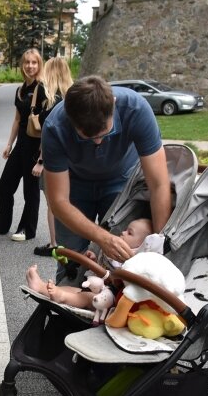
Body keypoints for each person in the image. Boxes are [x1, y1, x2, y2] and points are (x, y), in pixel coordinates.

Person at [41, 75, 172, 282]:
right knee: (72, 262)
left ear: (113, 105)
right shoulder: (55, 127)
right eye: (88, 137)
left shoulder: (136, 110)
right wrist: (102, 238)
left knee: (124, 260)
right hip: (73, 187)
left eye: (104, 133)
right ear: (70, 117)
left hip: (120, 181)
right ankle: (66, 307)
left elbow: (159, 184)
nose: (99, 142)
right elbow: (58, 202)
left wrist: (160, 243)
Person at [0, 48, 46, 241]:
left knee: (30, 190)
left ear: (39, 65)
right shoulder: (20, 90)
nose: (30, 66)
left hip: (36, 147)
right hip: (21, 145)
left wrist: (41, 159)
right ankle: (2, 224)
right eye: (27, 62)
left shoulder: (42, 88)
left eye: (34, 62)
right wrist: (9, 144)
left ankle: (27, 229)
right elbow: (17, 119)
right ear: (22, 65)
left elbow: (47, 124)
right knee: (5, 184)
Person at [25, 218, 153, 307]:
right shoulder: (116, 252)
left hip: (109, 300)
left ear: (141, 245)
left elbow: (117, 280)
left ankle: (59, 296)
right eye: (126, 230)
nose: (123, 232)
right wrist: (94, 261)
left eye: (129, 233)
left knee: (85, 298)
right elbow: (104, 269)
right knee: (72, 289)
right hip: (96, 289)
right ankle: (40, 287)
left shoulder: (135, 261)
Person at [31, 57, 73, 256]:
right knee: (70, 200)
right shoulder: (73, 97)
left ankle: (55, 243)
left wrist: (40, 161)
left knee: (54, 202)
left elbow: (48, 136)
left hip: (53, 159)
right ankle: (70, 242)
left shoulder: (50, 101)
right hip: (73, 158)